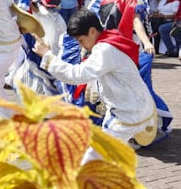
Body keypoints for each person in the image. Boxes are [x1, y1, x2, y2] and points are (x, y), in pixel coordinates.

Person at [33, 9, 157, 162]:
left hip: (126, 116)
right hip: (136, 110)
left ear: (92, 31)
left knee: (91, 162)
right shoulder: (111, 39)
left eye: (80, 41)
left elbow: (76, 75)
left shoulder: (104, 49)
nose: (82, 46)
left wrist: (47, 56)